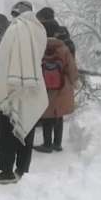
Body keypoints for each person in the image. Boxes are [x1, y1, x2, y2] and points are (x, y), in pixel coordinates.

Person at [0, 0, 49, 184]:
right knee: (26, 126)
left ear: (17, 13)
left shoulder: (18, 28)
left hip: (11, 87)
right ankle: (22, 169)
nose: (13, 18)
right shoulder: (39, 29)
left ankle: (6, 171)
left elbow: (5, 58)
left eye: (14, 14)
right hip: (33, 85)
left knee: (6, 131)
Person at [34, 19, 79, 153]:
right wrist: (73, 81)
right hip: (62, 86)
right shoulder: (63, 48)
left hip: (44, 86)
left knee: (47, 115)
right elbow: (72, 69)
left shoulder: (39, 48)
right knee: (58, 115)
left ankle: (47, 144)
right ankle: (57, 144)